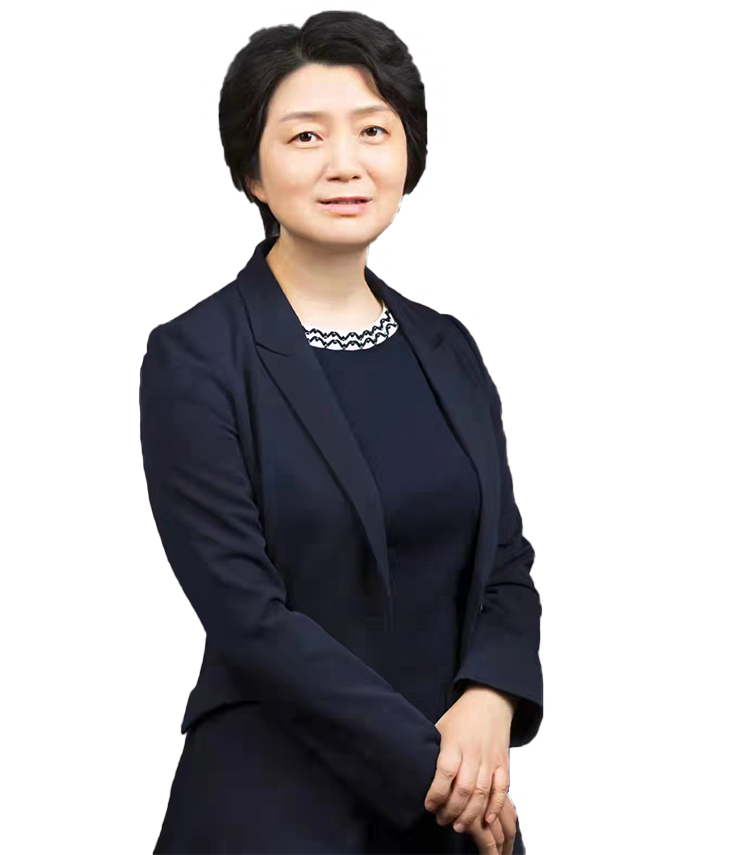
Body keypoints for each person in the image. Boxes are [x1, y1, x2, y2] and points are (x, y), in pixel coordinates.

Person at [139, 9, 543, 854]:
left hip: (454, 804)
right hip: (274, 803)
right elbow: (249, 616)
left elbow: (506, 562)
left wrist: (491, 697)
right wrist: (437, 768)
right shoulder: (196, 357)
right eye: (305, 137)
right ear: (251, 170)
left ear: (409, 152)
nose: (345, 163)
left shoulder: (448, 347)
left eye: (372, 130)